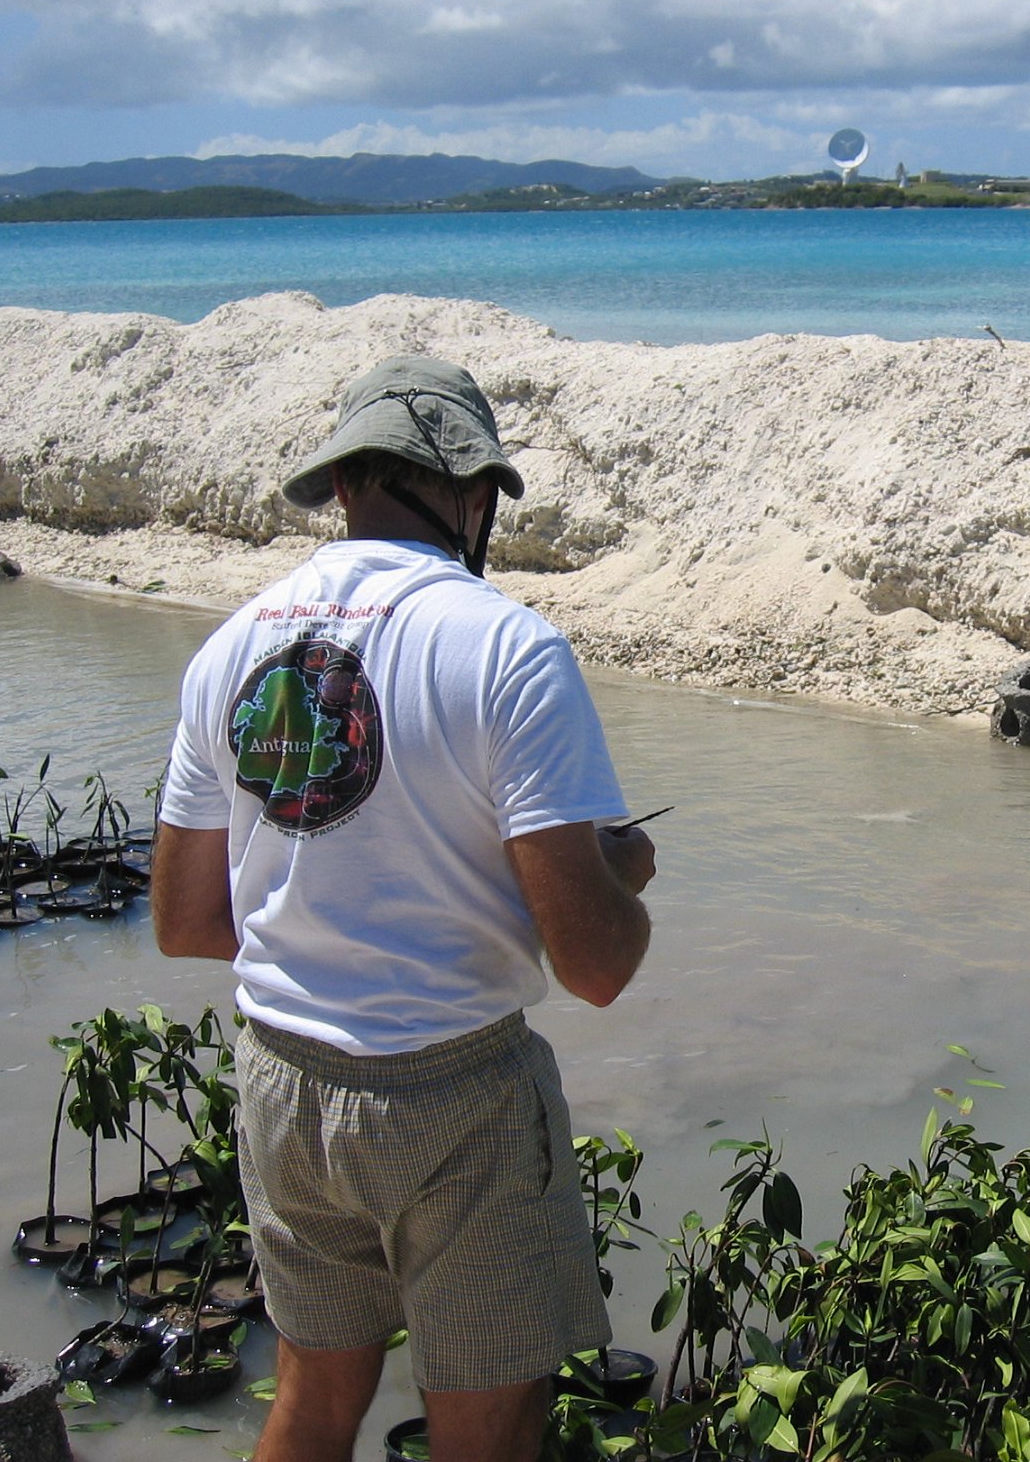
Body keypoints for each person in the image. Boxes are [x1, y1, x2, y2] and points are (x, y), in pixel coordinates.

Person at [151, 354, 656, 1462]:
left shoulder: (230, 646)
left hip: (281, 1078)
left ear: (343, 488)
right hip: (453, 1094)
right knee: (491, 1425)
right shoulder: (508, 646)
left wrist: (334, 904)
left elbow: (188, 923)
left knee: (314, 1399)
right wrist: (624, 875)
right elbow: (597, 966)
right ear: (472, 495)